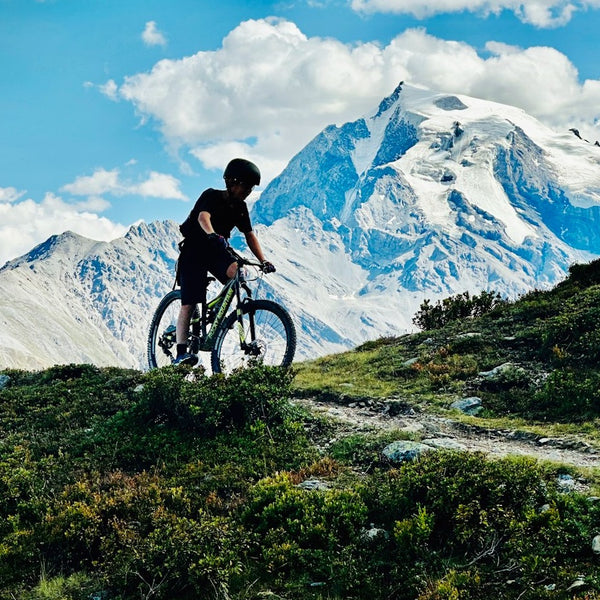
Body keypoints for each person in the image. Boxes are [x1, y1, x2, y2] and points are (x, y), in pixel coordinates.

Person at [173, 158, 275, 365]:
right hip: (194, 250)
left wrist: (263, 260)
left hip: (216, 251)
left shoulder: (241, 207)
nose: (247, 191)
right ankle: (181, 353)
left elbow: (249, 235)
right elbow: (203, 217)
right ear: (232, 182)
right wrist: (211, 234)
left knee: (238, 272)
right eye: (245, 186)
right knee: (190, 302)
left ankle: (216, 310)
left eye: (251, 187)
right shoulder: (211, 195)